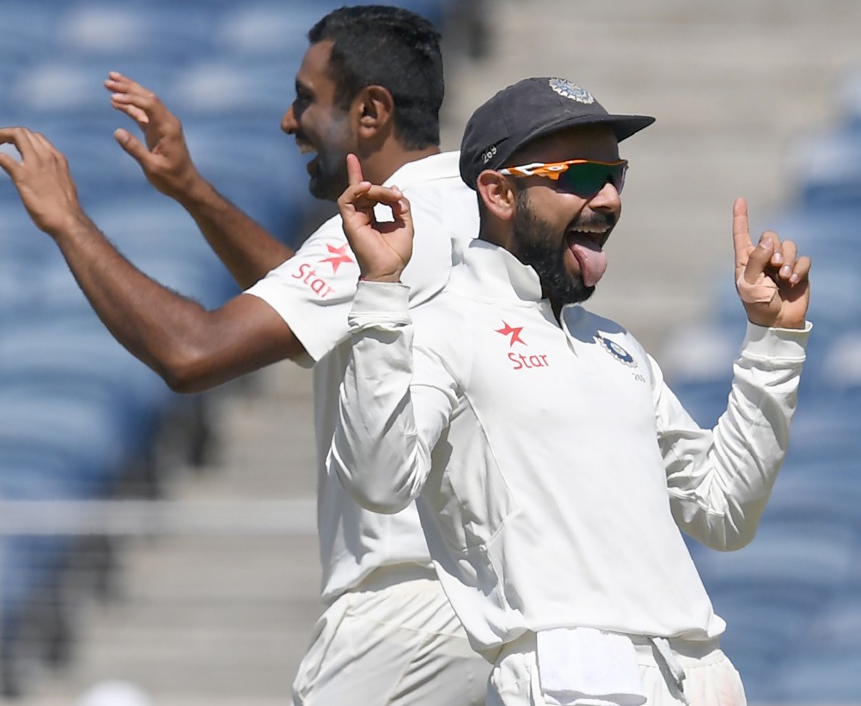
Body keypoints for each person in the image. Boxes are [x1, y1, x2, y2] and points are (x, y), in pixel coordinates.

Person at [0, 5, 489, 706]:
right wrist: (192, 189)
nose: (288, 121)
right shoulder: (468, 212)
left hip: (406, 613)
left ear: (371, 112)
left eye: (306, 100)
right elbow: (308, 304)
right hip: (482, 604)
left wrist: (68, 220)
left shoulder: (380, 224)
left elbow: (191, 353)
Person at [331, 76, 812, 706]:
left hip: (699, 675)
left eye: (617, 175)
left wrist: (774, 343)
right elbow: (378, 480)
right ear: (499, 192)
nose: (609, 199)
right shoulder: (439, 323)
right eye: (581, 176)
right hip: (572, 676)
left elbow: (723, 512)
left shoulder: (616, 346)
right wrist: (381, 291)